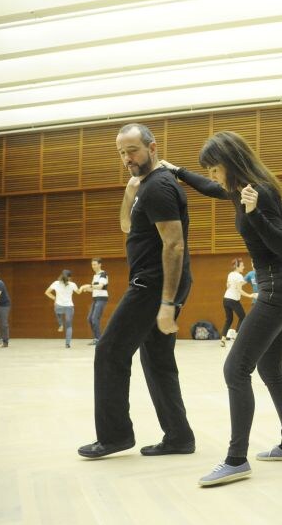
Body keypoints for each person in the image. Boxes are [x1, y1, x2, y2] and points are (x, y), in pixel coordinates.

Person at [161, 130, 282, 487]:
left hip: (277, 288)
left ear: (230, 162)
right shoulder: (237, 190)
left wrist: (254, 213)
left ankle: (236, 459)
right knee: (271, 369)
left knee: (235, 370)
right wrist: (177, 170)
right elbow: (211, 189)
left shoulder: (259, 191)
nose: (212, 175)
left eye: (214, 168)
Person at [77, 122, 195, 460]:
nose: (127, 158)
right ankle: (179, 436)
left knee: (111, 351)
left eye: (133, 150)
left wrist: (167, 303)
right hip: (152, 282)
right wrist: (129, 193)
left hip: (153, 284)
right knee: (157, 359)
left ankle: (114, 436)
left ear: (152, 147)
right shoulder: (145, 186)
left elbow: (174, 246)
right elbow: (127, 226)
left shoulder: (158, 186)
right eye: (122, 153)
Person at [220, 258, 256, 347]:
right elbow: (240, 290)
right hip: (233, 300)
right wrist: (250, 295)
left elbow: (227, 285)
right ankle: (236, 337)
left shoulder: (230, 274)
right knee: (242, 316)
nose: (243, 267)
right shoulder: (239, 276)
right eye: (242, 266)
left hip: (225, 299)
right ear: (237, 266)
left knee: (229, 319)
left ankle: (223, 339)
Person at [44, 270, 82, 348]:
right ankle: (67, 344)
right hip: (69, 307)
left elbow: (47, 292)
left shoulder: (55, 283)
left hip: (59, 306)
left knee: (57, 311)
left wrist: (54, 298)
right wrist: (82, 287)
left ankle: (61, 324)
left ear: (61, 276)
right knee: (69, 326)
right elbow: (78, 292)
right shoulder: (72, 284)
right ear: (70, 277)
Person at [80, 257, 109, 346]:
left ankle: (99, 339)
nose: (93, 266)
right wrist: (85, 289)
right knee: (90, 319)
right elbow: (94, 289)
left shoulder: (103, 274)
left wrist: (87, 285)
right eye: (92, 264)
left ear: (100, 264)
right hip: (96, 298)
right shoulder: (95, 276)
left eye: (95, 264)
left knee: (94, 319)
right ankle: (97, 338)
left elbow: (100, 286)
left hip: (102, 298)